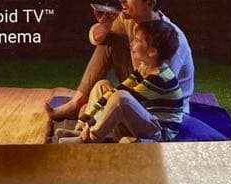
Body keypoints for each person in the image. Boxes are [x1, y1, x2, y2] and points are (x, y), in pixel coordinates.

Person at [49, 0, 194, 121]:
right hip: (139, 82)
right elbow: (96, 38)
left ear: (150, 3)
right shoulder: (129, 20)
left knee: (93, 108)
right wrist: (105, 26)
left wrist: (105, 106)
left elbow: (160, 94)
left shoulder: (169, 40)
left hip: (161, 108)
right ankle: (76, 103)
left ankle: (90, 114)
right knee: (110, 40)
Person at [57, 20, 185, 143]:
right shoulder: (145, 67)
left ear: (152, 52)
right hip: (139, 123)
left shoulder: (159, 78)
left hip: (158, 132)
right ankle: (82, 131)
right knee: (102, 85)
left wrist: (91, 122)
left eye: (137, 41)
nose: (132, 44)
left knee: (121, 98)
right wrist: (85, 120)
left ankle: (90, 137)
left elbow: (123, 99)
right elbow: (120, 89)